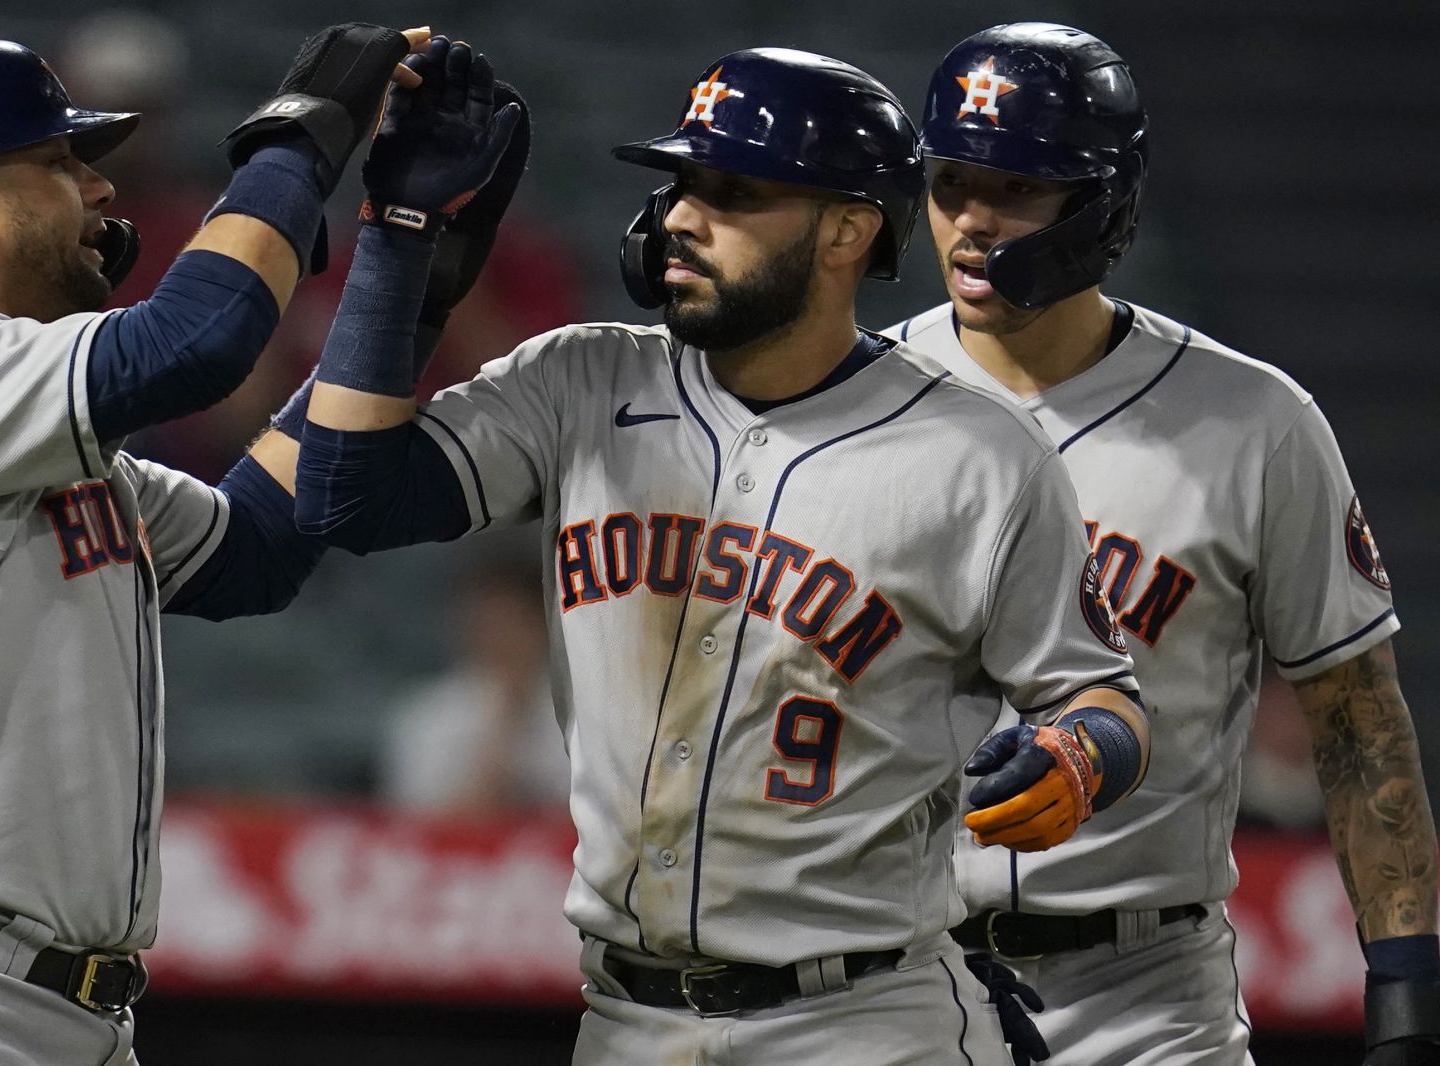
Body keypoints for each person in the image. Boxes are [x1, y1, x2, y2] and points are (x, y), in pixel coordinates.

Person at [294, 44, 1152, 1065]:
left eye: (734, 192)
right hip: (622, 1021)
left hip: (864, 1024)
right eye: (681, 184)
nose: (682, 218)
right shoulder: (579, 381)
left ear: (846, 230)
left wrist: (1079, 754)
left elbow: (1101, 697)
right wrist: (398, 238)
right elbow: (340, 494)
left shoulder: (976, 453)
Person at [0, 25, 452, 1065]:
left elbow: (260, 549)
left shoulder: (18, 427)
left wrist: (400, 251)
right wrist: (301, 137)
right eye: (59, 165)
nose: (102, 193)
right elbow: (195, 339)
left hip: (45, 1008)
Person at [886, 21, 1440, 1066]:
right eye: (950, 181)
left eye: (1016, 186)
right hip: (891, 977)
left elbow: (1354, 719)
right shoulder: (859, 400)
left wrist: (1406, 985)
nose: (973, 218)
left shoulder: (1251, 421)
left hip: (1143, 997)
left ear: (1103, 203)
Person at [379, 549, 568, 813]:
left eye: (515, 624)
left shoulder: (584, 715)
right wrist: (498, 729)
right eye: (490, 624)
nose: (503, 639)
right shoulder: (426, 714)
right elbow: (415, 823)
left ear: (545, 625)